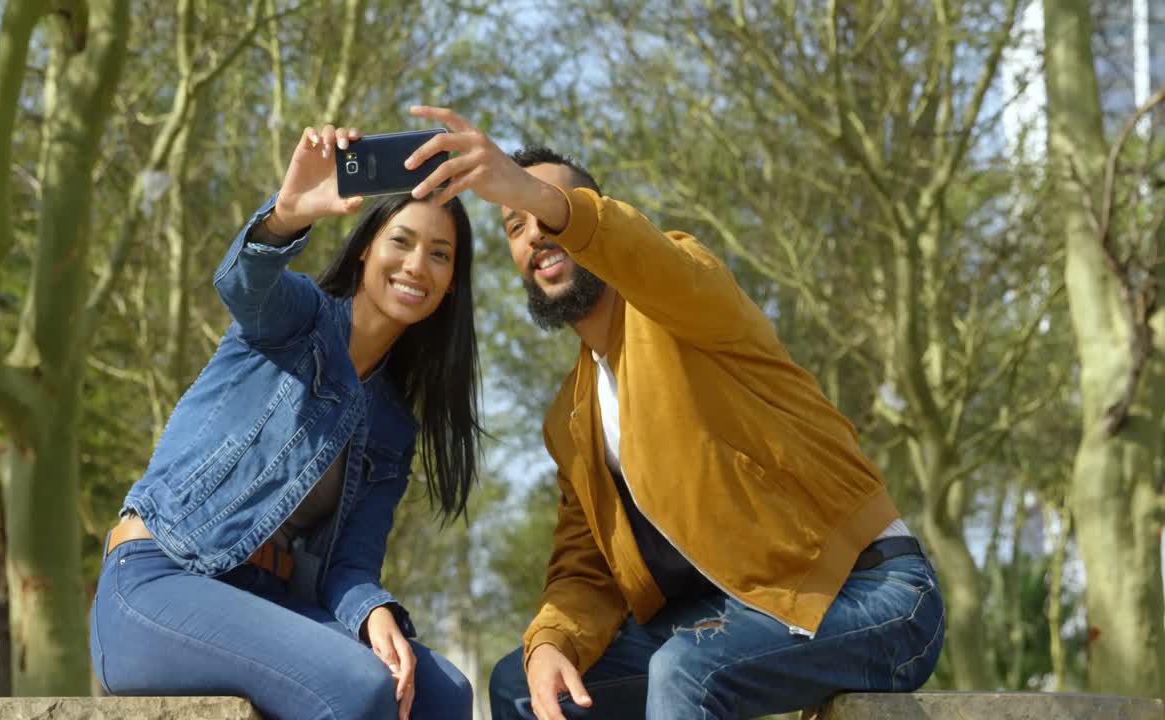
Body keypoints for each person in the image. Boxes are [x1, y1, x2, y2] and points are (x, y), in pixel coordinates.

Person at [403, 105, 945, 720]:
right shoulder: (570, 418)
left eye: (546, 209)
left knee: (686, 669)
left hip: (871, 592)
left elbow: (648, 256)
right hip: (732, 616)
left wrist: (533, 194)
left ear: (589, 216)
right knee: (521, 684)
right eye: (514, 225)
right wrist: (552, 640)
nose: (534, 233)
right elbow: (588, 570)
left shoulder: (685, 300)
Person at [90, 123, 481, 720]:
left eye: (439, 254)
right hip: (158, 580)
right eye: (401, 242)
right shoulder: (298, 321)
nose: (416, 265)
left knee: (443, 693)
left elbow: (349, 565)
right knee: (360, 686)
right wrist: (285, 218)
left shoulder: (393, 424)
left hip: (269, 603)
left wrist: (372, 610)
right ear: (366, 249)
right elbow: (243, 284)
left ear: (451, 284)